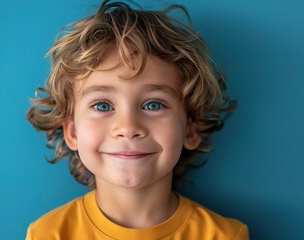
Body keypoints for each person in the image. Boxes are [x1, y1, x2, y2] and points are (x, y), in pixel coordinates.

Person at [25, 0, 249, 239]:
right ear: (73, 132)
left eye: (153, 105)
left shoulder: (225, 236)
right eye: (102, 105)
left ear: (190, 130)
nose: (128, 128)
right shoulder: (47, 235)